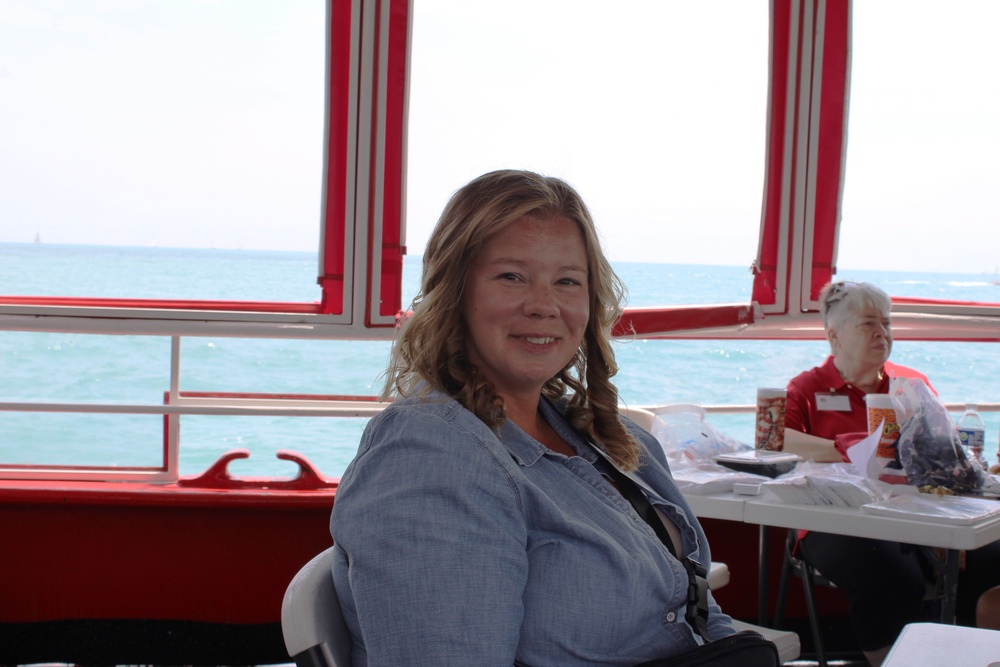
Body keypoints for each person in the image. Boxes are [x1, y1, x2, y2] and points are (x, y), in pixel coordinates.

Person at [329, 169, 736, 665]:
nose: (545, 306)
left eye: (567, 281)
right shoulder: (431, 457)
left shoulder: (609, 438)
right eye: (511, 277)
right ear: (455, 292)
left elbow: (695, 612)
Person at [784, 280, 1000, 666]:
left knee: (989, 556)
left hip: (915, 511)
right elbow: (777, 442)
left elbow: (944, 457)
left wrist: (944, 528)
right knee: (890, 576)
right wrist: (847, 446)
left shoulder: (910, 386)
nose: (882, 333)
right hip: (834, 518)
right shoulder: (806, 388)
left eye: (886, 323)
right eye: (869, 324)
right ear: (834, 335)